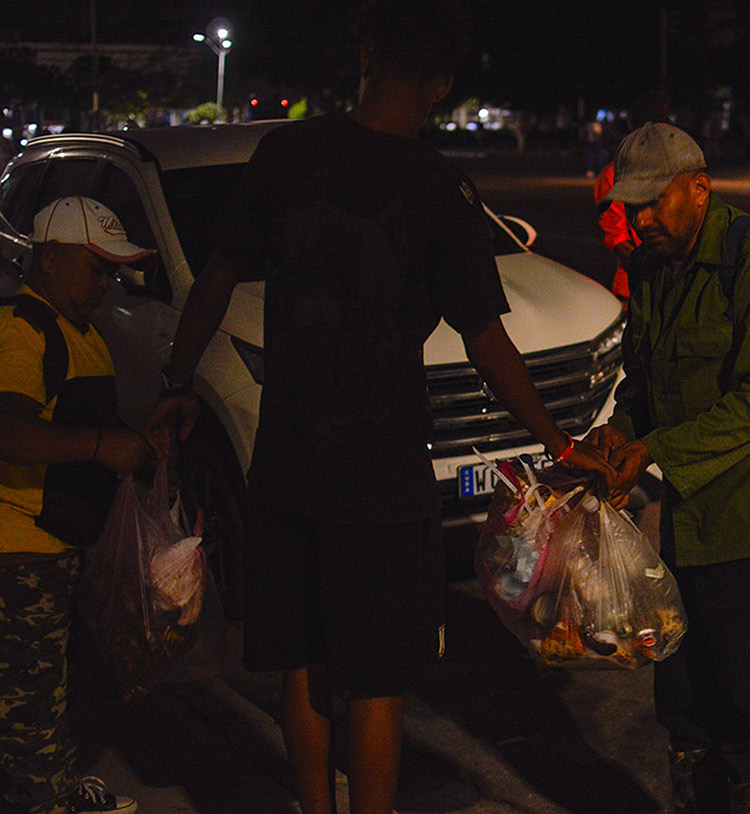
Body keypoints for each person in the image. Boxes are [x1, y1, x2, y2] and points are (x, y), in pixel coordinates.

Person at [146, 3, 615, 814]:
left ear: (364, 53)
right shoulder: (438, 187)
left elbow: (217, 277)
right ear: (442, 80)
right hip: (382, 471)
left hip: (288, 462)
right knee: (377, 681)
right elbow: (487, 342)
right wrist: (556, 440)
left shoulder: (284, 153)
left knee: (306, 663)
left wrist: (177, 386)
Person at [587, 124, 750, 814]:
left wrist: (655, 453)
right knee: (684, 693)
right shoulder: (652, 269)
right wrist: (616, 442)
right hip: (694, 516)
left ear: (699, 188)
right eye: (631, 205)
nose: (640, 218)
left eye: (654, 202)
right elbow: (643, 386)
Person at [0, 196, 153, 814]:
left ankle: (54, 790)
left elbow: (92, 423)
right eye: (96, 268)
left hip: (60, 542)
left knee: (49, 688)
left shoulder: (80, 332)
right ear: (52, 256)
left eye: (112, 271)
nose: (105, 283)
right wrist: (98, 445)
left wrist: (139, 444)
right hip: (19, 543)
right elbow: (8, 430)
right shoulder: (20, 328)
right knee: (31, 698)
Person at [593, 92, 671, 302]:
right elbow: (618, 240)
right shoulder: (614, 175)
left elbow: (616, 238)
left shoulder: (679, 172)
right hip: (637, 289)